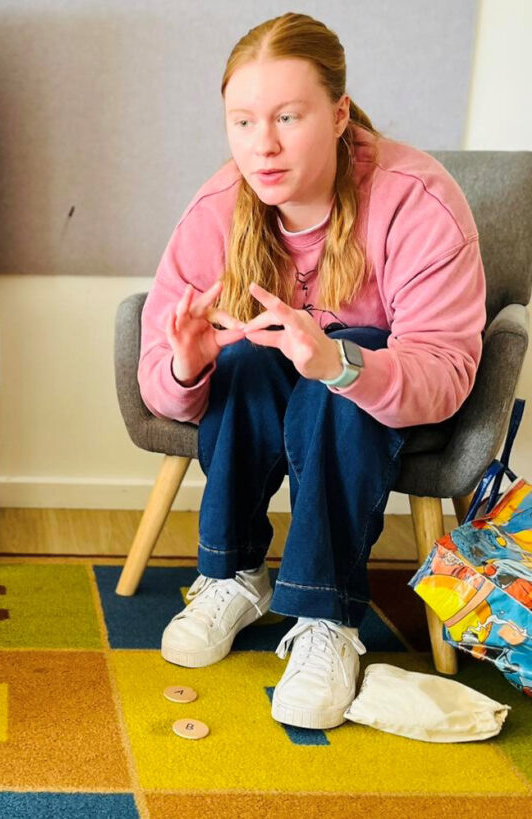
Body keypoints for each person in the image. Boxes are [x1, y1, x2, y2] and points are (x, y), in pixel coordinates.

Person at [139, 12, 485, 729]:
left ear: (337, 113)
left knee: (335, 378)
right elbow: (157, 382)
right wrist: (188, 363)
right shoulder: (216, 209)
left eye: (288, 117)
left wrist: (341, 364)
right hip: (265, 397)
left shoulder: (417, 200)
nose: (261, 145)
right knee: (242, 358)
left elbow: (448, 369)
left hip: (379, 409)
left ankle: (328, 616)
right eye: (242, 121)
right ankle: (232, 571)